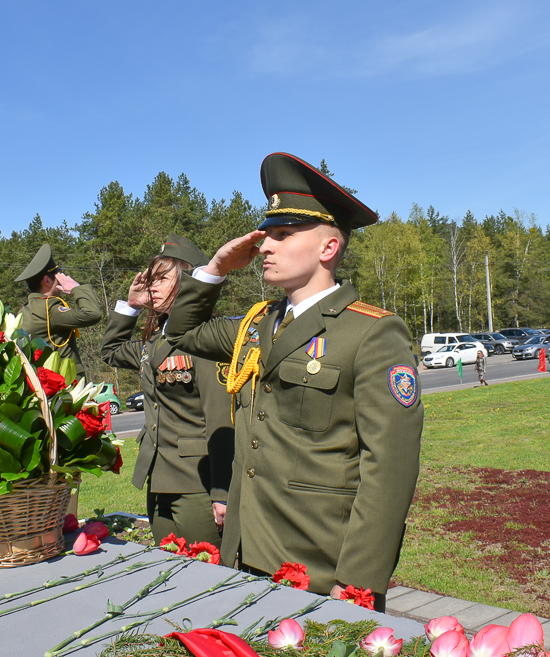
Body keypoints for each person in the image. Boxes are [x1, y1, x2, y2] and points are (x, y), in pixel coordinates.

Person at [165, 152, 423, 612]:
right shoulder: (257, 325)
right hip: (247, 551)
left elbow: (390, 467)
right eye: (266, 235)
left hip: (321, 564)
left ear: (328, 248)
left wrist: (359, 580)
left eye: (283, 235)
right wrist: (215, 269)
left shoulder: (370, 332)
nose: (265, 246)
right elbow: (180, 332)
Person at [100, 235, 234, 548]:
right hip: (158, 478)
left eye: (162, 278)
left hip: (196, 483)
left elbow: (221, 419)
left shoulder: (206, 339)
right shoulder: (154, 343)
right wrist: (131, 306)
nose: (153, 286)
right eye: (150, 279)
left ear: (189, 282)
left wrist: (223, 494)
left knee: (206, 572)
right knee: (168, 568)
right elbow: (111, 351)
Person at [14, 244, 103, 379]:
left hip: (41, 382)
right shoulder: (50, 309)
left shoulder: (24, 310)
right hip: (64, 384)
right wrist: (77, 289)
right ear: (47, 280)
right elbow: (92, 314)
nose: (62, 278)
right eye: (58, 275)